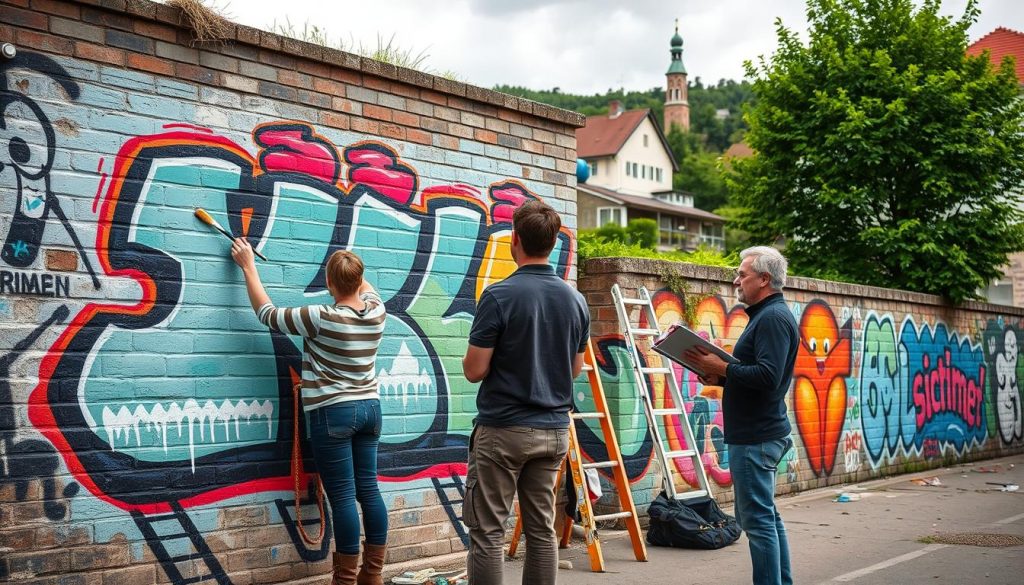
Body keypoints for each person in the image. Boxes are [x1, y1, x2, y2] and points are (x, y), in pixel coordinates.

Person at [231, 239, 388, 585]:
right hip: (370, 410)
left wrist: (248, 266)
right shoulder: (377, 311)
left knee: (344, 495)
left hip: (334, 414)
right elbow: (364, 287)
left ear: (330, 284)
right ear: (359, 279)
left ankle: (345, 580)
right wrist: (349, 271)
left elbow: (266, 314)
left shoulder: (320, 316)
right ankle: (372, 576)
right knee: (369, 490)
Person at [461, 200, 590, 585]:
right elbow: (575, 369)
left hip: (503, 431)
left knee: (487, 533)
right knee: (541, 531)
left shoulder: (499, 296)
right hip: (553, 431)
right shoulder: (576, 300)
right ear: (554, 242)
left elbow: (474, 370)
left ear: (514, 240)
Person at [683, 246, 798, 585]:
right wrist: (717, 375)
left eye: (742, 274)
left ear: (764, 279)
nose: (736, 281)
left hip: (756, 437)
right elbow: (755, 374)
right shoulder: (767, 315)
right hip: (757, 433)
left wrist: (723, 367)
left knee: (757, 523)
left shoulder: (773, 318)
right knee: (767, 519)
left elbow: (768, 376)